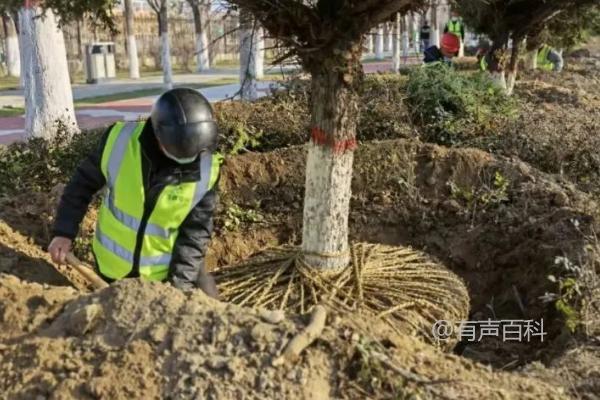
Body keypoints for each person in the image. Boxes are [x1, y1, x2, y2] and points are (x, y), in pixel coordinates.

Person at [48, 88, 222, 297]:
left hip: (161, 282)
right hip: (111, 272)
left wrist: (179, 290)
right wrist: (63, 233)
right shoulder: (119, 143)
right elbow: (81, 185)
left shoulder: (206, 171)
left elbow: (195, 235)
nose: (187, 158)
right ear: (158, 135)